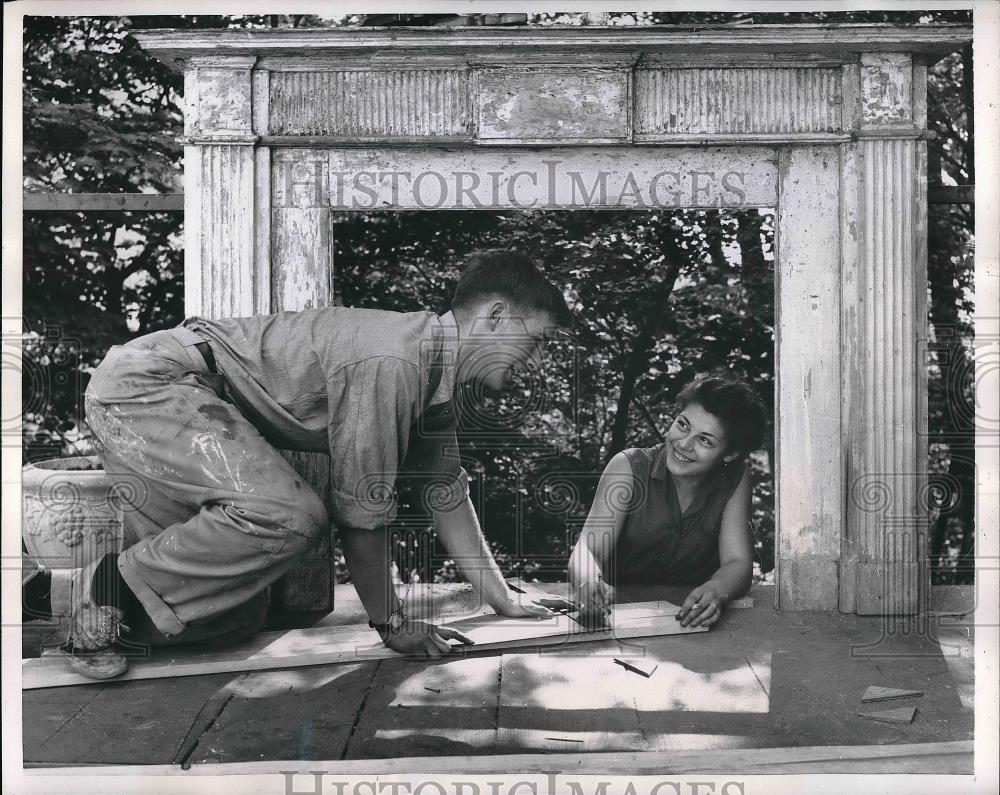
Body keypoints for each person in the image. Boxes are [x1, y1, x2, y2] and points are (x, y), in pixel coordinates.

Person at [52, 249, 574, 679]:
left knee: (226, 620)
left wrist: (504, 602)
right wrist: (391, 625)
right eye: (538, 340)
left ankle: (60, 596)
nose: (537, 358)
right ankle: (102, 591)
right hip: (150, 387)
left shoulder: (435, 383)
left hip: (180, 401)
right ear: (497, 316)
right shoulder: (394, 361)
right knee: (291, 514)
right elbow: (360, 514)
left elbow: (446, 495)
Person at [568, 372, 766, 629]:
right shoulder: (628, 467)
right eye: (683, 425)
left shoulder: (736, 479)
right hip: (615, 618)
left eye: (705, 440)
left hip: (689, 623)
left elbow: (737, 562)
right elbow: (587, 550)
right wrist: (588, 580)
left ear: (730, 454)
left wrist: (716, 590)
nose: (684, 443)